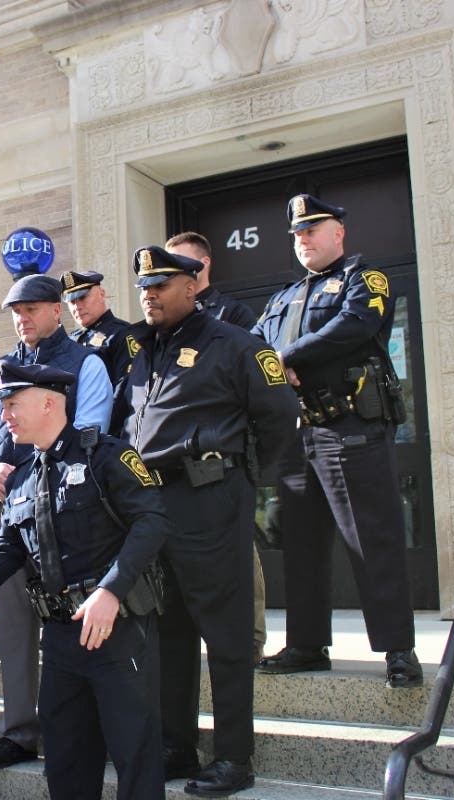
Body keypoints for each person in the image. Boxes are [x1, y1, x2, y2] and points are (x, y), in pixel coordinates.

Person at [0, 361, 170, 800]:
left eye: (12, 404)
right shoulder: (23, 475)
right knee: (66, 761)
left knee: (135, 755)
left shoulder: (108, 456)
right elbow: (9, 548)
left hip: (116, 628)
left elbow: (152, 522)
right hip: (62, 637)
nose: (3, 415)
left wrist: (111, 590)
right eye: (2, 405)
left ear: (49, 402)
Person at [121, 246, 298, 796]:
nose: (149, 295)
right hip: (154, 509)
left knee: (224, 634)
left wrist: (237, 482)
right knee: (168, 635)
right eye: (145, 287)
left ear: (193, 285)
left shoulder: (235, 344)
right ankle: (177, 745)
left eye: (161, 285)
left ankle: (233, 758)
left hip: (211, 500)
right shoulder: (143, 350)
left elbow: (280, 419)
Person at [252, 194, 422, 688]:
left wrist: (289, 359)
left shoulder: (364, 279)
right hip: (299, 433)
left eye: (312, 230)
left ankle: (397, 648)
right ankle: (307, 644)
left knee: (371, 539)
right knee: (302, 543)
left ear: (339, 233)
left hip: (352, 428)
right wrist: (273, 364)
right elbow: (256, 346)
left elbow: (355, 326)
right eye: (297, 234)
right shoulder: (282, 299)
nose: (303, 240)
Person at [0, 273, 113, 769]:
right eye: (15, 312)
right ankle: (20, 732)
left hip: (70, 512)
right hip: (7, 510)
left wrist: (29, 473)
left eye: (31, 309)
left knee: (76, 617)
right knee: (14, 627)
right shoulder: (0, 367)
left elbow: (89, 432)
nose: (22, 319)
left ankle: (89, 728)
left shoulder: (86, 362)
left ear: (56, 310)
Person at [166, 231, 269, 665]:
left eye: (178, 267)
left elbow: (255, 387)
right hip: (174, 466)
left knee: (239, 554)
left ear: (202, 267)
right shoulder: (165, 324)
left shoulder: (234, 315)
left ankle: (252, 638)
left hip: (220, 458)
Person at [60, 269, 143, 383]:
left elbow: (126, 385)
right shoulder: (70, 339)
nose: (77, 307)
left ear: (102, 294)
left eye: (83, 297)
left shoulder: (123, 334)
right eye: (72, 302)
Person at [165, 232, 257, 327]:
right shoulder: (163, 314)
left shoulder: (235, 312)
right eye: (169, 264)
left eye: (180, 261)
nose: (175, 269)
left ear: (205, 262)